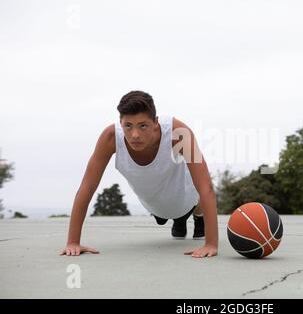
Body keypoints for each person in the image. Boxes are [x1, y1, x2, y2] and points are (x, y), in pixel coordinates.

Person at [59, 91, 218, 258]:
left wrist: (211, 244)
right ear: (120, 123)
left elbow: (205, 186)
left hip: (186, 195)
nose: (135, 134)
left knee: (197, 190)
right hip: (154, 203)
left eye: (143, 126)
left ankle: (197, 217)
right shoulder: (110, 138)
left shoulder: (178, 132)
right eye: (128, 126)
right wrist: (73, 242)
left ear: (155, 122)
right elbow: (87, 186)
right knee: (165, 212)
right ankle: (179, 221)